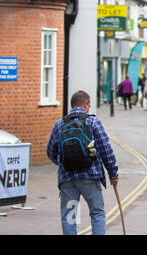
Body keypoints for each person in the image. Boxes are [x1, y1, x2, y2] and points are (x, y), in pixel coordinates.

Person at [46, 90, 119, 235]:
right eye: (89, 105)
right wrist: (113, 173)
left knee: (70, 217)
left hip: (67, 180)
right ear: (85, 104)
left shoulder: (59, 125)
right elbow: (106, 150)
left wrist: (63, 163)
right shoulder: (92, 121)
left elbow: (50, 151)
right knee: (97, 213)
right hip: (89, 178)